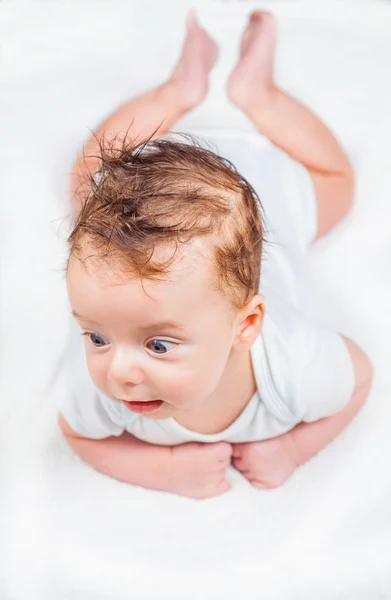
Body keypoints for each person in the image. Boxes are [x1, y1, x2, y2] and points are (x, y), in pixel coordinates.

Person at [55, 11, 373, 499]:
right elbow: (72, 429)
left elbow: (359, 378)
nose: (116, 372)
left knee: (339, 184)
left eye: (159, 345)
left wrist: (292, 449)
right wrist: (159, 470)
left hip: (268, 184)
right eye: (95, 336)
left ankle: (257, 95)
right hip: (149, 185)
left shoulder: (294, 367)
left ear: (245, 327)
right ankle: (178, 89)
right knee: (87, 182)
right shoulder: (106, 386)